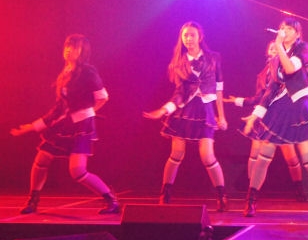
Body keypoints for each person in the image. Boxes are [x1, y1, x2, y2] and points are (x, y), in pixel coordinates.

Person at [11, 34, 120, 215]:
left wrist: (87, 113)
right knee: (41, 160)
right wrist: (33, 126)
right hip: (64, 125)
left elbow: (102, 97)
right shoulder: (65, 73)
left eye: (74, 47)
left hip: (81, 127)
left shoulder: (88, 71)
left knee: (77, 171)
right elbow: (58, 108)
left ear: (82, 51)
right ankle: (33, 200)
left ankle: (111, 200)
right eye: (68, 46)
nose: (69, 49)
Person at [240, 18, 308, 218]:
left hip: (297, 108)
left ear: (297, 34)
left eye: (289, 29)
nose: (284, 31)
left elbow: (290, 69)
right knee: (263, 157)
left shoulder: (302, 49)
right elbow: (270, 90)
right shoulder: (275, 60)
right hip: (278, 110)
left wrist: (279, 45)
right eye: (282, 28)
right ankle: (251, 200)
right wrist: (255, 115)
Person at [143, 21, 229, 212]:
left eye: (192, 35)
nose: (188, 38)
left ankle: (221, 195)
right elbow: (179, 93)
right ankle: (165, 192)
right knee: (176, 153)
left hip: (205, 110)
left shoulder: (214, 58)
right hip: (184, 111)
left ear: (200, 36)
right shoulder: (178, 63)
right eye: (185, 35)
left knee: (207, 155)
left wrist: (221, 116)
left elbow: (219, 89)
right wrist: (164, 110)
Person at [223, 41, 306, 203]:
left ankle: (299, 187)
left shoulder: (286, 68)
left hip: (282, 116)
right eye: (271, 48)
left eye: (277, 47)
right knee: (255, 155)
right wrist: (238, 101)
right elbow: (259, 97)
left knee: (291, 157)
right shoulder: (262, 75)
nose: (274, 49)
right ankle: (252, 191)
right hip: (263, 117)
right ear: (267, 52)